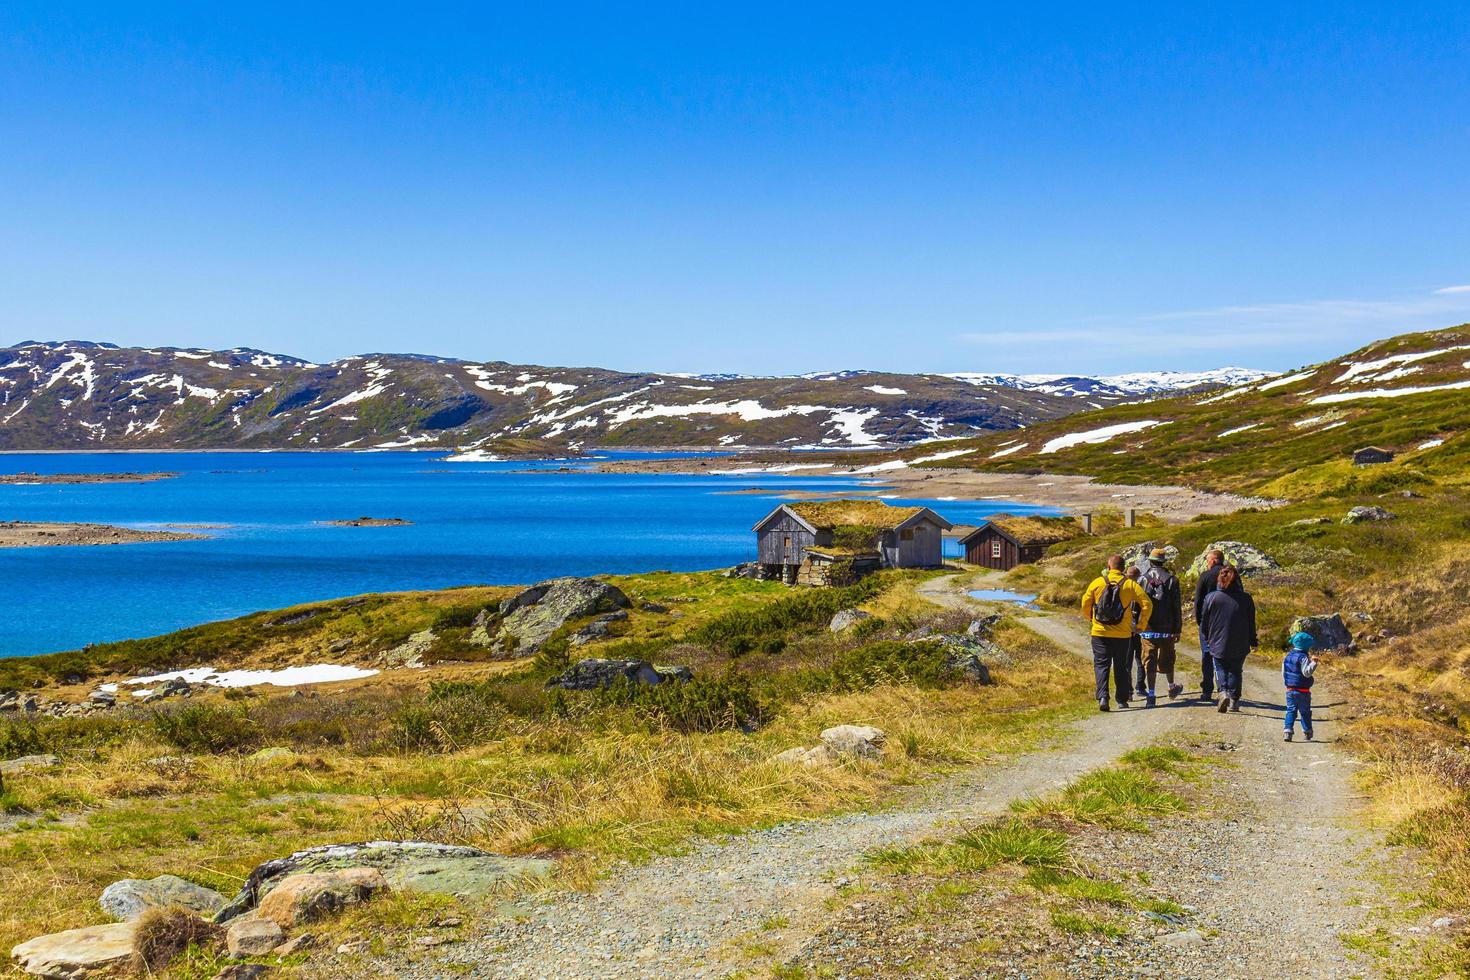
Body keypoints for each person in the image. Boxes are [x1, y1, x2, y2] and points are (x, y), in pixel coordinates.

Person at [1081, 555, 1154, 712]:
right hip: (1122, 634)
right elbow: (1147, 603)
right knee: (1121, 666)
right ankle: (1121, 699)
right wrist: (1141, 625)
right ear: (1123, 568)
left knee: (1101, 664)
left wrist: (1092, 619)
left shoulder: (1097, 582)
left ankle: (1103, 697)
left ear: (1109, 567)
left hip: (1100, 632)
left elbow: (1085, 603)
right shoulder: (1129, 584)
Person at [1199, 564, 1258, 712]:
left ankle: (1223, 691)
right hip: (1240, 640)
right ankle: (1234, 701)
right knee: (1236, 670)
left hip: (1217, 640)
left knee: (1219, 667)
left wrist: (1206, 637)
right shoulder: (1246, 599)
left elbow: (1204, 621)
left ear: (1219, 580)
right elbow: (1251, 622)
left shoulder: (1211, 598)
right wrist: (1253, 640)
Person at [1139, 547, 1185, 706]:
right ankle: (1171, 686)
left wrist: (1137, 625)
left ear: (1150, 561)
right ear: (1163, 562)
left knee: (1149, 662)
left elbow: (1136, 605)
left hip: (1148, 629)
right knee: (1168, 659)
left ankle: (1151, 695)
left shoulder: (1142, 579)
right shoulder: (1172, 580)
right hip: (1167, 629)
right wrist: (1177, 629)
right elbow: (1176, 607)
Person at [1192, 549, 1226, 702]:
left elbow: (1198, 601)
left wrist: (1199, 621)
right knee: (1223, 654)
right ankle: (1224, 688)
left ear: (1213, 561)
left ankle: (1207, 690)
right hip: (1226, 622)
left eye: (1207, 560)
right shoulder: (1231, 575)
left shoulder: (1206, 576)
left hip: (1208, 621)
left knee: (1207, 655)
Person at [1283, 631, 1319, 741]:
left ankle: (1288, 731)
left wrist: (1289, 682)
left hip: (1290, 689)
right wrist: (1313, 663)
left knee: (1291, 710)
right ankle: (1307, 731)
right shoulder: (1303, 657)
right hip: (1303, 690)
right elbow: (1306, 672)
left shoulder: (1288, 657)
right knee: (1305, 712)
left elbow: (1283, 672)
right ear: (1306, 646)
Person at [1126, 565, 1147, 701]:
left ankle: (1128, 692)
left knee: (1127, 662)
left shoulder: (1124, 589)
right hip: (1138, 630)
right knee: (1140, 660)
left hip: (1126, 631)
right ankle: (1140, 687)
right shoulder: (1140, 590)